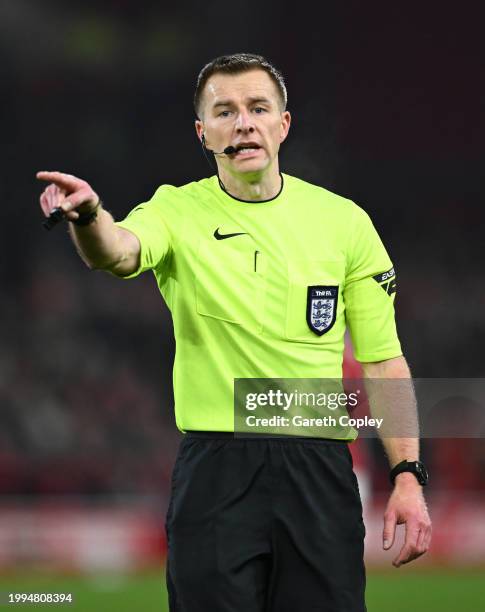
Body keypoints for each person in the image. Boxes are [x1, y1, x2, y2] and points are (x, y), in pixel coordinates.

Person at [37, 53, 431, 612]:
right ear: (204, 133)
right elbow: (119, 252)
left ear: (283, 124)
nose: (243, 122)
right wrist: (88, 216)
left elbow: (383, 360)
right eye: (224, 111)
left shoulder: (345, 222)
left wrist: (408, 475)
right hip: (217, 473)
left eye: (257, 107)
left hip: (318, 471)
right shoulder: (175, 209)